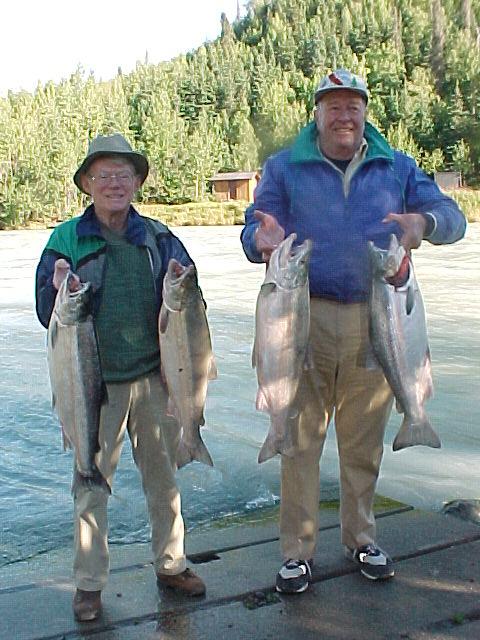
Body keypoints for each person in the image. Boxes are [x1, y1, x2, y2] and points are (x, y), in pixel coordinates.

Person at [240, 69, 466, 594]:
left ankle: (360, 537)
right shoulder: (284, 168)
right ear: (316, 113)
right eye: (332, 106)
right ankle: (297, 553)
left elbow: (452, 218)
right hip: (301, 318)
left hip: (381, 320)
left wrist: (423, 226)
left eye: (352, 106)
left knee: (362, 443)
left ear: (366, 111)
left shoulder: (398, 166)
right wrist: (260, 239)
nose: (343, 116)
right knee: (298, 439)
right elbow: (253, 233)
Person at [35, 133, 206, 622]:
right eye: (103, 174)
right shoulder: (65, 238)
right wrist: (57, 280)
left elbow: (191, 300)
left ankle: (172, 565)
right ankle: (89, 585)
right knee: (90, 484)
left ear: (137, 182)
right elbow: (47, 310)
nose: (114, 183)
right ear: (87, 183)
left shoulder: (158, 236)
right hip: (92, 388)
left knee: (164, 480)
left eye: (123, 174)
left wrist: (184, 275)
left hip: (154, 380)